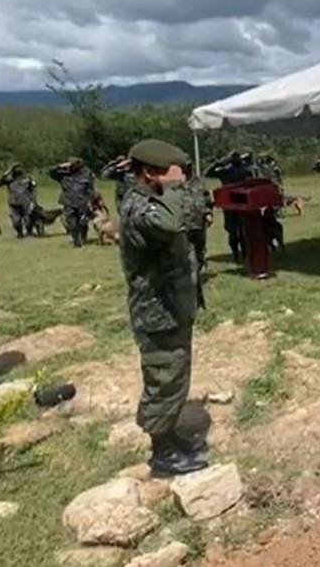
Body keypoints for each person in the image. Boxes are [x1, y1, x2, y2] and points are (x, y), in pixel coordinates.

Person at [120, 139, 208, 475]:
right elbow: (171, 224)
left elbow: (194, 214)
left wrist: (179, 187)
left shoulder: (158, 202)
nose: (181, 178)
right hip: (156, 312)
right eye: (173, 173)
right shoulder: (139, 207)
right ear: (149, 173)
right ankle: (162, 452)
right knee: (163, 378)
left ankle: (170, 434)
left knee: (175, 375)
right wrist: (172, 188)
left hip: (173, 306)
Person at [206, 152, 255, 263]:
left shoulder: (226, 172)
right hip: (240, 203)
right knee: (241, 231)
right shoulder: (245, 170)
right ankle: (244, 254)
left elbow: (208, 173)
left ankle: (238, 255)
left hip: (231, 204)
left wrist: (220, 163)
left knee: (234, 231)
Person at [180, 162, 213, 307]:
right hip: (183, 224)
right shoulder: (175, 183)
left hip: (198, 223)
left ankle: (198, 274)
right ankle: (189, 280)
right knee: (185, 253)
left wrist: (209, 214)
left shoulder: (199, 182)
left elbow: (207, 200)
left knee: (199, 252)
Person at [49, 157, 97, 248]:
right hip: (69, 202)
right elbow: (50, 172)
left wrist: (90, 200)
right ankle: (76, 241)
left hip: (82, 202)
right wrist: (59, 166)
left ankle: (83, 238)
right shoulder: (63, 174)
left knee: (82, 223)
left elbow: (90, 189)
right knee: (72, 223)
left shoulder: (86, 174)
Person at [0, 163, 39, 238]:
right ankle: (20, 233)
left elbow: (34, 189)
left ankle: (29, 232)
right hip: (14, 203)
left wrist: (34, 201)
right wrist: (6, 173)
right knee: (16, 221)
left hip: (26, 202)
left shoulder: (28, 178)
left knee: (29, 219)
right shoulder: (9, 180)